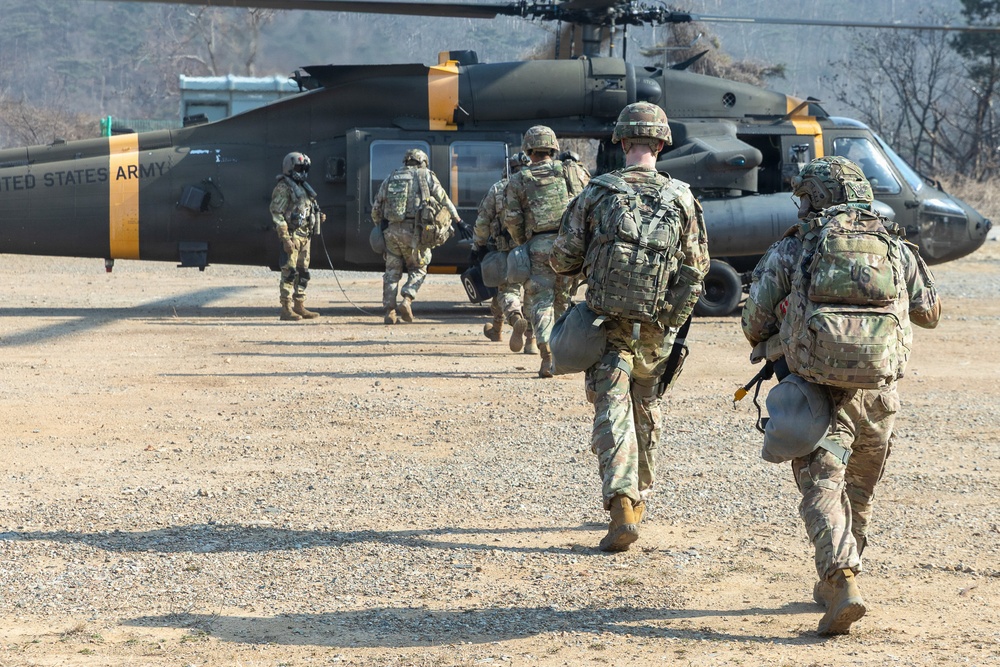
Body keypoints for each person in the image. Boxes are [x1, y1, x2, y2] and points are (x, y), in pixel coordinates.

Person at [741, 155, 941, 635]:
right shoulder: (894, 246)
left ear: (813, 199)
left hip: (816, 388)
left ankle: (841, 576)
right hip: (879, 393)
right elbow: (930, 313)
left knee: (822, 484)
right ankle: (848, 566)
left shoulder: (797, 247)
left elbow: (753, 323)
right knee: (859, 489)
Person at [550, 102, 710, 551]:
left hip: (609, 321)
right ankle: (641, 495)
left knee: (612, 404)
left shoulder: (597, 193)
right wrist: (671, 321)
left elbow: (562, 260)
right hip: (658, 323)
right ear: (661, 144)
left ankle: (620, 501)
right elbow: (698, 267)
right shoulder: (681, 197)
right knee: (645, 405)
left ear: (621, 142)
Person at [504, 125, 574, 377]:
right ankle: (564, 353)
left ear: (528, 149)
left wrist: (525, 241)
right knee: (563, 299)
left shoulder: (519, 179)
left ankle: (546, 354)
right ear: (553, 147)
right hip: (568, 245)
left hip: (538, 245)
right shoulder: (570, 172)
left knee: (541, 300)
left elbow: (512, 218)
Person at [371, 148, 463, 324]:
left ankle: (389, 311)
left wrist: (380, 225)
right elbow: (443, 199)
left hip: (391, 231)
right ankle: (407, 298)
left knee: (391, 272)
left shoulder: (391, 177)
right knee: (418, 269)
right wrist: (458, 220)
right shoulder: (426, 175)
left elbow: (376, 208)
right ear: (423, 162)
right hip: (415, 233)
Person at [473, 151, 530, 343]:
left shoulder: (499, 188)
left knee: (506, 290)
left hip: (506, 250)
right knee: (533, 291)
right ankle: (528, 339)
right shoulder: (536, 186)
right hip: (534, 248)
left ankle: (514, 317)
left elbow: (483, 220)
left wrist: (478, 245)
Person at [270, 151, 326, 321]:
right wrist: (285, 238)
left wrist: (318, 217)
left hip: (305, 236)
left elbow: (307, 209)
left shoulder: (303, 188)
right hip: (293, 236)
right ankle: (286, 308)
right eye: (299, 167)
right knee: (289, 271)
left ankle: (299, 304)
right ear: (290, 167)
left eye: (304, 167)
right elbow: (277, 214)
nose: (302, 171)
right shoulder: (283, 188)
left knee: (303, 272)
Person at [554, 150, 592, 319]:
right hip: (577, 231)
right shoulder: (584, 173)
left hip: (554, 230)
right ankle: (563, 310)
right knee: (568, 280)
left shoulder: (556, 171)